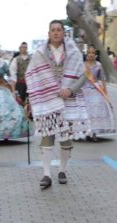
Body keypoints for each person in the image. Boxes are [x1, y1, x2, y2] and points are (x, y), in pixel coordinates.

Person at [26, 19, 90, 189]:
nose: (56, 32)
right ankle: (46, 174)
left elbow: (84, 75)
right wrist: (33, 98)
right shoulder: (39, 54)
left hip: (69, 101)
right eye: (53, 30)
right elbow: (31, 76)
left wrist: (71, 89)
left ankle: (62, 170)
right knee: (47, 138)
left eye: (58, 30)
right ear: (49, 33)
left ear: (63, 33)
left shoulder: (74, 53)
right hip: (47, 102)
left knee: (66, 140)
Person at [82, 45, 115, 140]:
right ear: (86, 54)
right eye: (89, 52)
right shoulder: (82, 65)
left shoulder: (99, 65)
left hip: (95, 89)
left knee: (97, 108)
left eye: (93, 53)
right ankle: (85, 131)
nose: (91, 55)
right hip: (84, 89)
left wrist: (105, 93)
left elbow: (102, 78)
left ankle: (94, 132)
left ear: (95, 55)